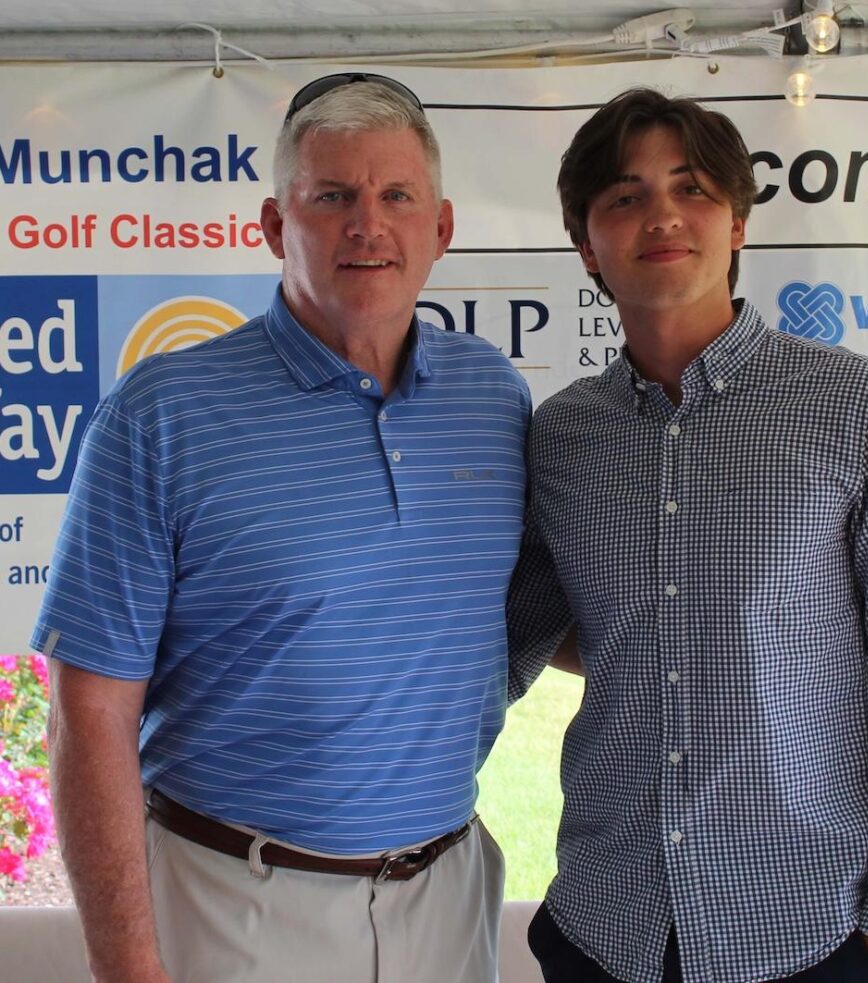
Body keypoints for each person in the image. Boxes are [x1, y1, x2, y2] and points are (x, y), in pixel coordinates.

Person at [33, 73, 530, 983]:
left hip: (447, 894)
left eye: (395, 196)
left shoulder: (492, 397)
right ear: (273, 225)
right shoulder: (161, 415)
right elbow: (89, 713)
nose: (365, 224)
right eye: (332, 195)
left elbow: (512, 615)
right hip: (236, 904)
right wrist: (130, 970)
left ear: (442, 228)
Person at [507, 88, 868, 983]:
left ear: (736, 224)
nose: (660, 214)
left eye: (691, 189)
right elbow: (507, 638)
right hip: (606, 927)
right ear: (587, 247)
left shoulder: (858, 409)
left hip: (805, 928)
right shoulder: (564, 435)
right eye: (624, 196)